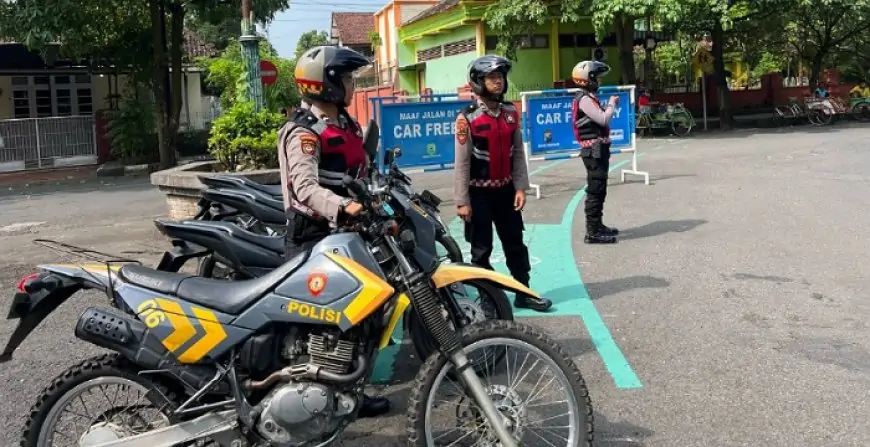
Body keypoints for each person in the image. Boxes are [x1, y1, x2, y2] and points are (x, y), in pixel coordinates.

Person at [276, 45, 390, 418]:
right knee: (324, 326)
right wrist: (343, 207)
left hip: (348, 236)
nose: (352, 85)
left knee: (361, 317)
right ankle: (314, 401)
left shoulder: (346, 124)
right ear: (325, 84)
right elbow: (304, 188)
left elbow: (362, 170)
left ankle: (351, 392)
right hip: (313, 236)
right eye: (346, 79)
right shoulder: (304, 132)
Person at [454, 55, 553, 312]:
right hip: (478, 194)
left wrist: (520, 187)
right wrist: (462, 201)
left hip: (506, 191)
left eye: (500, 77)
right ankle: (489, 302)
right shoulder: (467, 118)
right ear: (478, 81)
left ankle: (524, 292)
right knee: (481, 251)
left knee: (515, 244)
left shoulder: (510, 113)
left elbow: (517, 152)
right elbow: (462, 163)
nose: (498, 81)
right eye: (492, 77)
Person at [571, 60, 619, 244]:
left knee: (600, 188)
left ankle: (598, 225)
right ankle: (592, 232)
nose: (599, 81)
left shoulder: (588, 97)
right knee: (595, 188)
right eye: (596, 77)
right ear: (587, 79)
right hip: (593, 151)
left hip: (598, 149)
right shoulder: (584, 99)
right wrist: (612, 104)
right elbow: (603, 119)